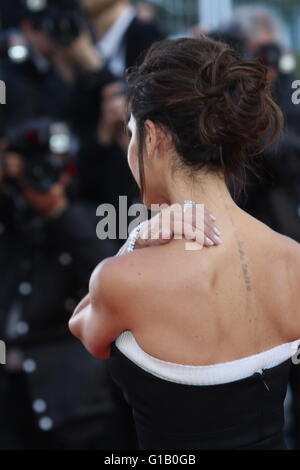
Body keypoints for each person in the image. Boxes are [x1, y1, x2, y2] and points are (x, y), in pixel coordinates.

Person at [69, 36, 300, 450]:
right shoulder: (292, 259)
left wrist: (137, 239)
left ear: (153, 137)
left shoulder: (125, 278)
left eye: (131, 133)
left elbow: (84, 329)